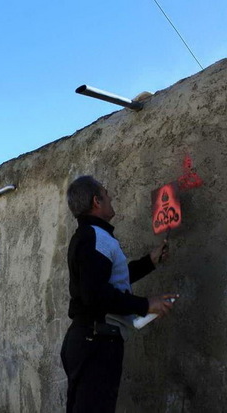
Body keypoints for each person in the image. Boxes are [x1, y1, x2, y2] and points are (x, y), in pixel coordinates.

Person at [60, 175, 178, 413]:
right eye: (106, 193)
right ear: (97, 201)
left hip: (91, 341)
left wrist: (150, 262)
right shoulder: (94, 237)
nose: (111, 197)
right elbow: (96, 295)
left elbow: (111, 280)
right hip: (96, 343)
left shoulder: (94, 237)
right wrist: (145, 305)